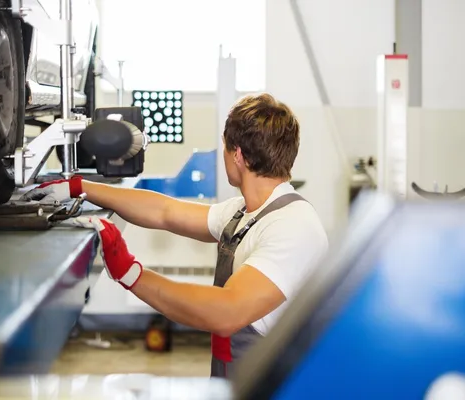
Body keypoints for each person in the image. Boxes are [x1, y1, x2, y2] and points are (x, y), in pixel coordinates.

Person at [21, 93, 329, 378]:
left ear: (237, 155)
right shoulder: (244, 213)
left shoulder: (293, 225)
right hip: (235, 377)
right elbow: (165, 212)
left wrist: (133, 275)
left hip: (277, 384)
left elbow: (227, 311)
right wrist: (82, 188)